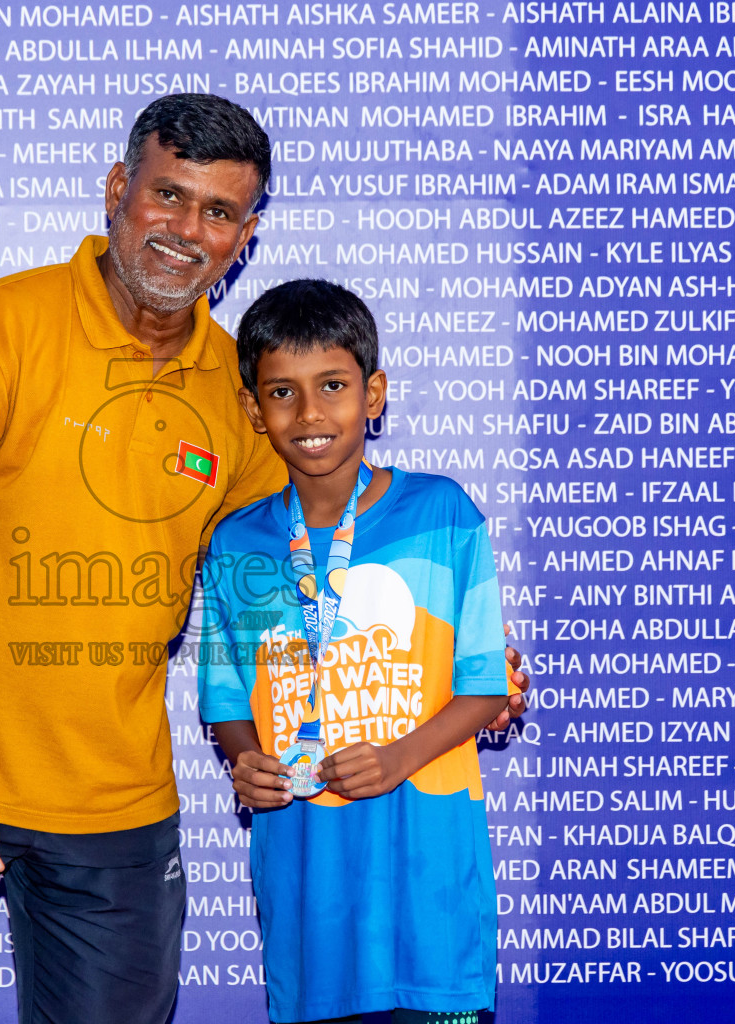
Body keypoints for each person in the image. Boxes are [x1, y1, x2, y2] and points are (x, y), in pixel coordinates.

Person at [0, 94, 528, 1024]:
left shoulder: (243, 391)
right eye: (168, 195)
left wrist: (463, 668)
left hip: (119, 806)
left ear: (246, 234)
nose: (186, 231)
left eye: (220, 211)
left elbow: (292, 574)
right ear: (119, 189)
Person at [198, 279, 511, 1024]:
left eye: (332, 386)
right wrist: (246, 761)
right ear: (252, 409)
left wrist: (401, 757)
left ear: (373, 394)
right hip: (310, 899)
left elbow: (488, 686)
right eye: (282, 392)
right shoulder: (236, 543)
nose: (310, 415)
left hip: (428, 898)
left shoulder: (443, 514)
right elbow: (227, 701)